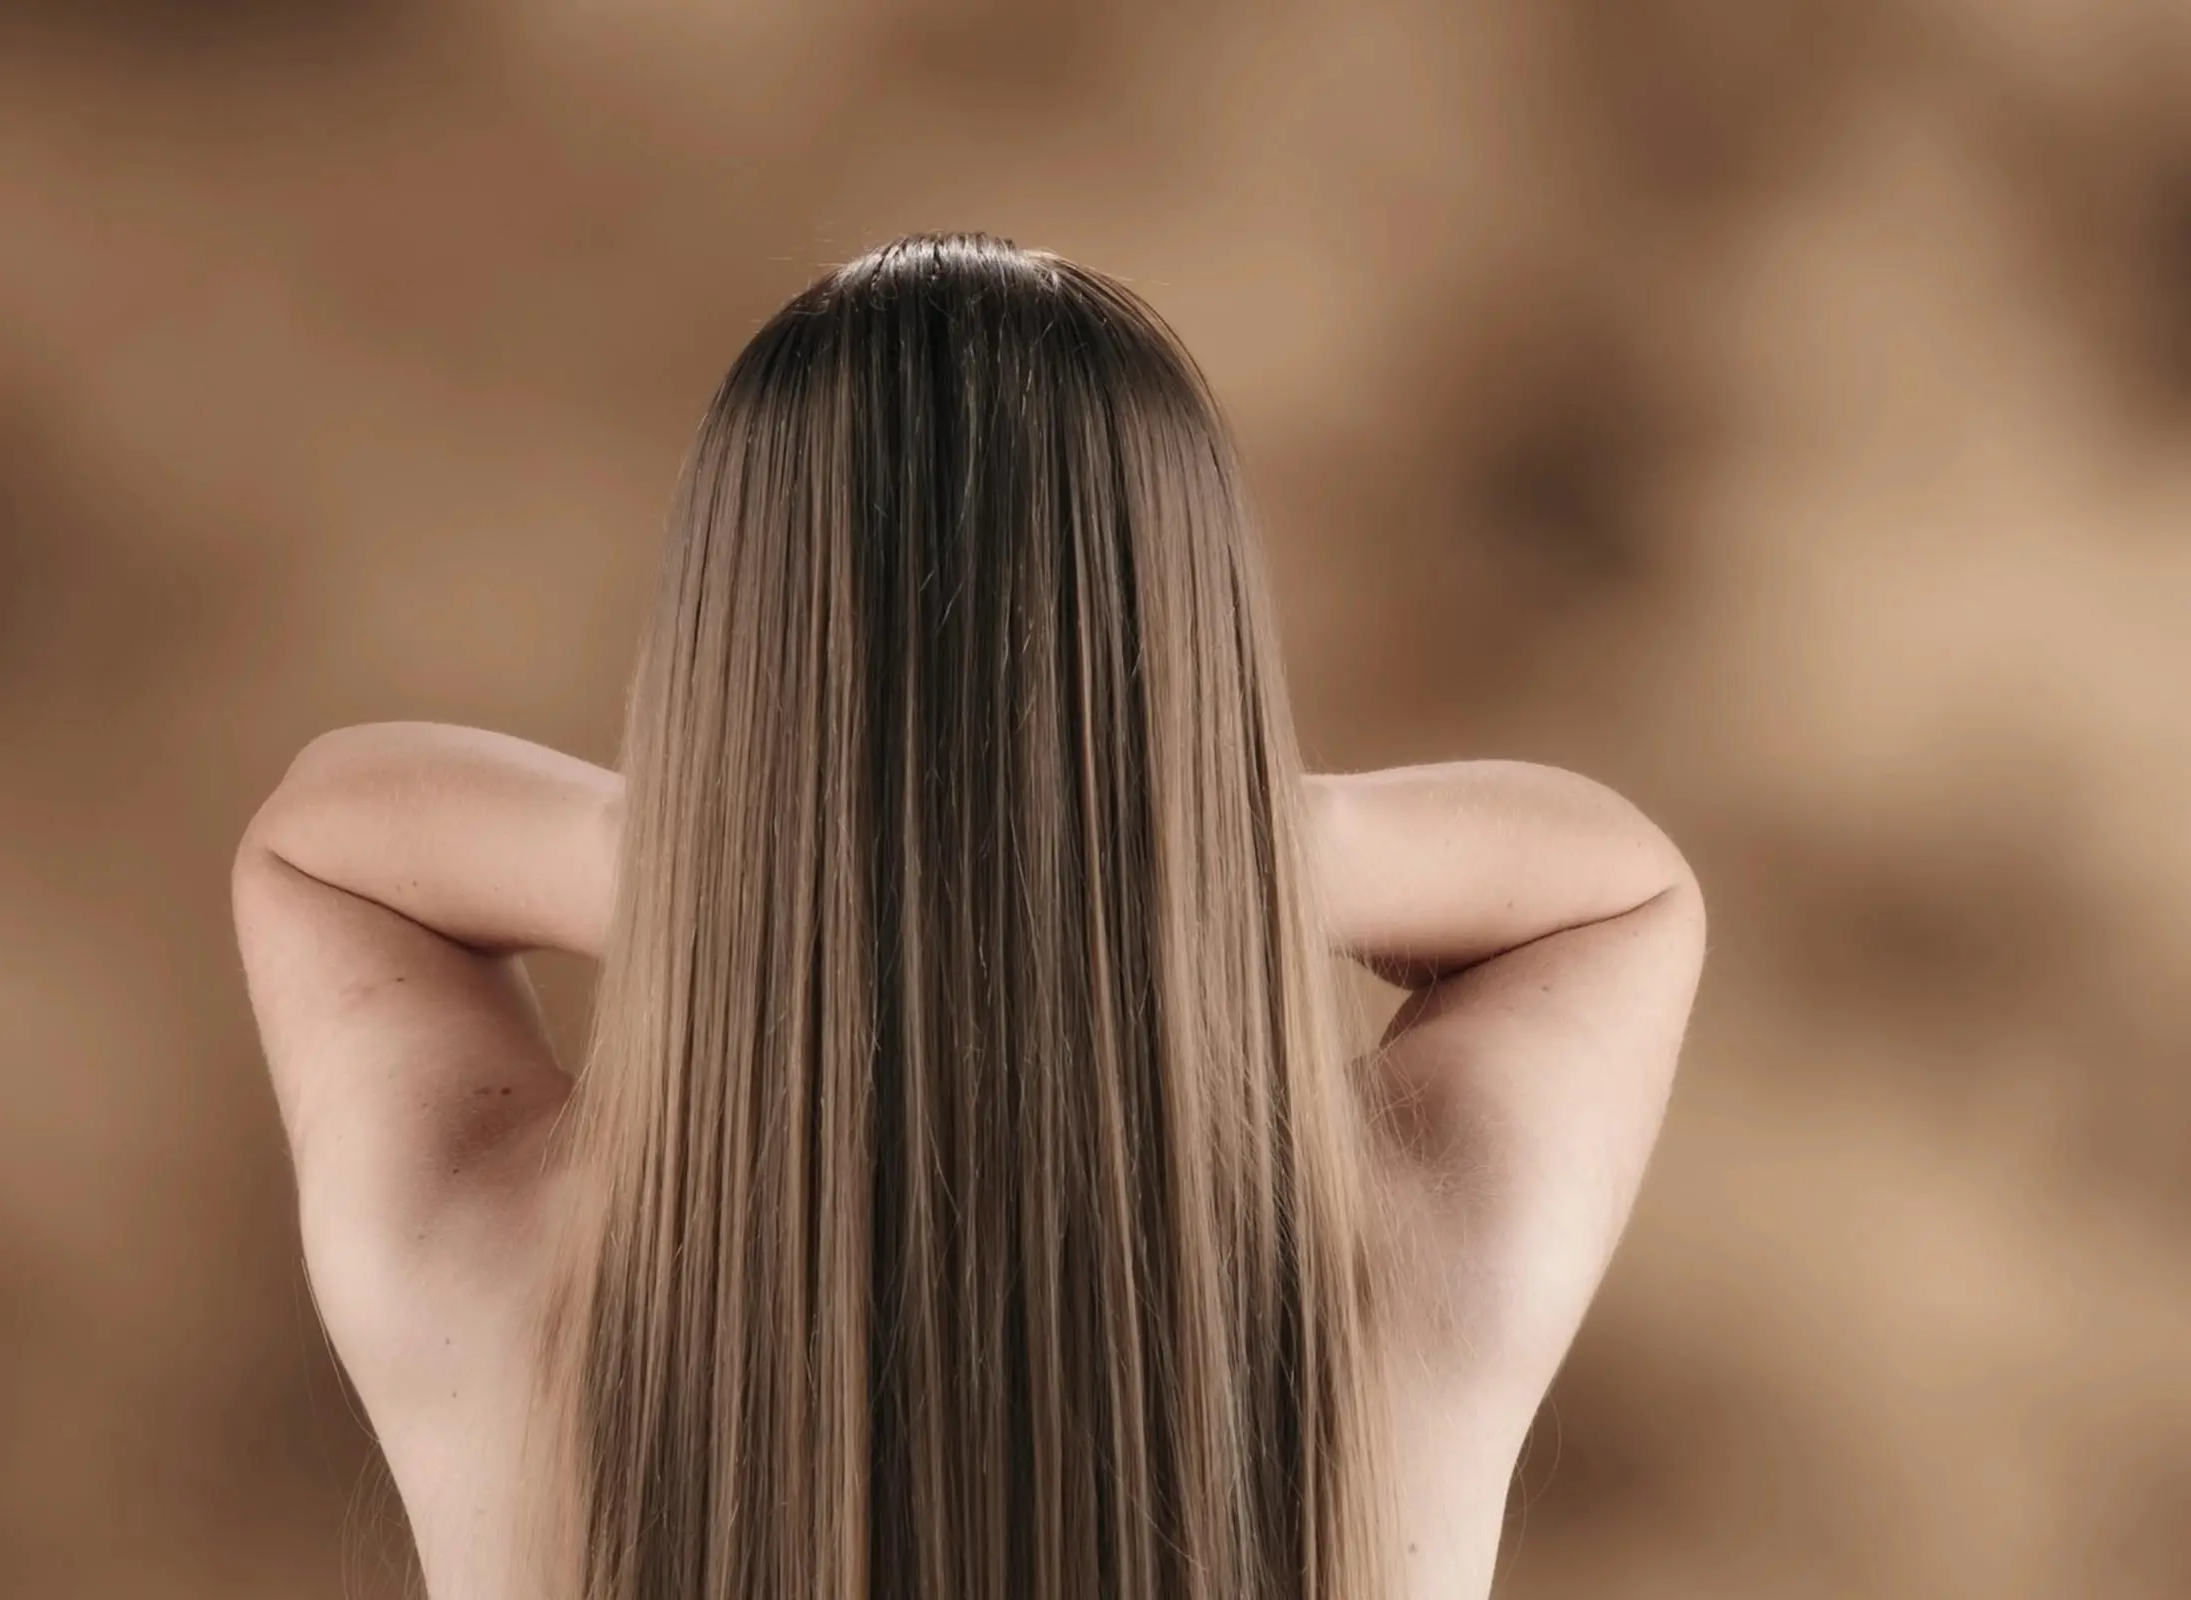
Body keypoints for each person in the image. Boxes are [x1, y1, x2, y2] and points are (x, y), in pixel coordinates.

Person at [232, 233, 1705, 1600]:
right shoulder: (1436, 1258)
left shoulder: (478, 1267)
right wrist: (1126, 856)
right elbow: (1607, 882)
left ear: (721, 655)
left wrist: (791, 868)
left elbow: (332, 836)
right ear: (1198, 661)